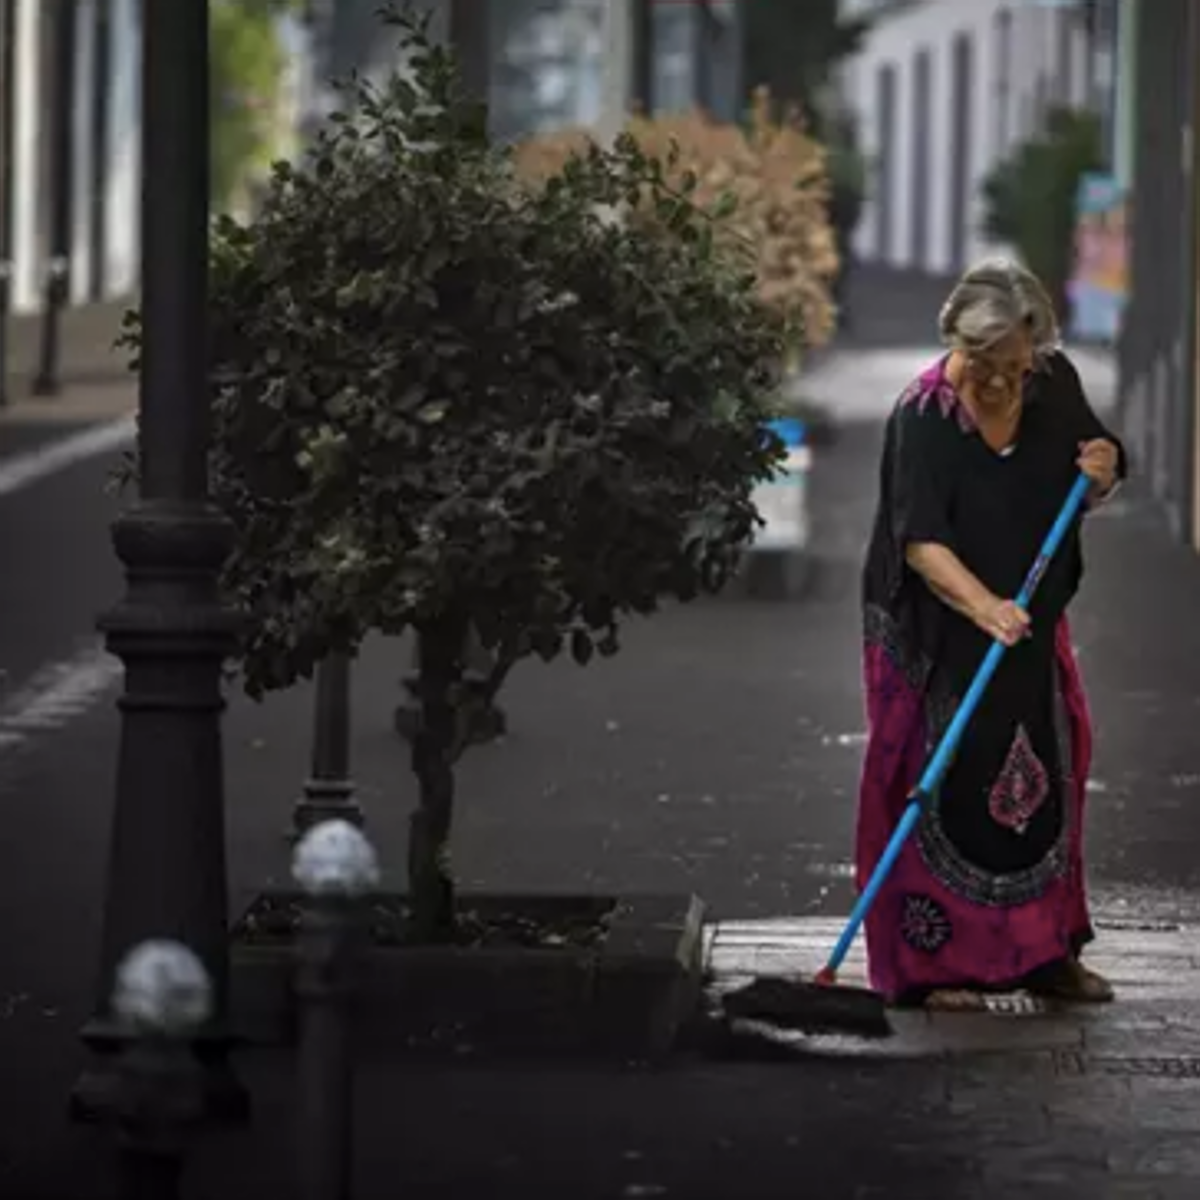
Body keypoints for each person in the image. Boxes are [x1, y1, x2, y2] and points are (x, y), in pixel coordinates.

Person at [856, 258, 1127, 1012]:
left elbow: (1098, 459)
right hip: (936, 626)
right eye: (985, 363)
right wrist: (985, 607)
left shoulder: (1052, 381)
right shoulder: (923, 415)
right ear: (957, 344)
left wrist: (1105, 471)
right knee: (940, 776)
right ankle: (936, 966)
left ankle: (1047, 952)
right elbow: (920, 541)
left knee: (1045, 769)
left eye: (1016, 363)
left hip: (1029, 615)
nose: (1004, 380)